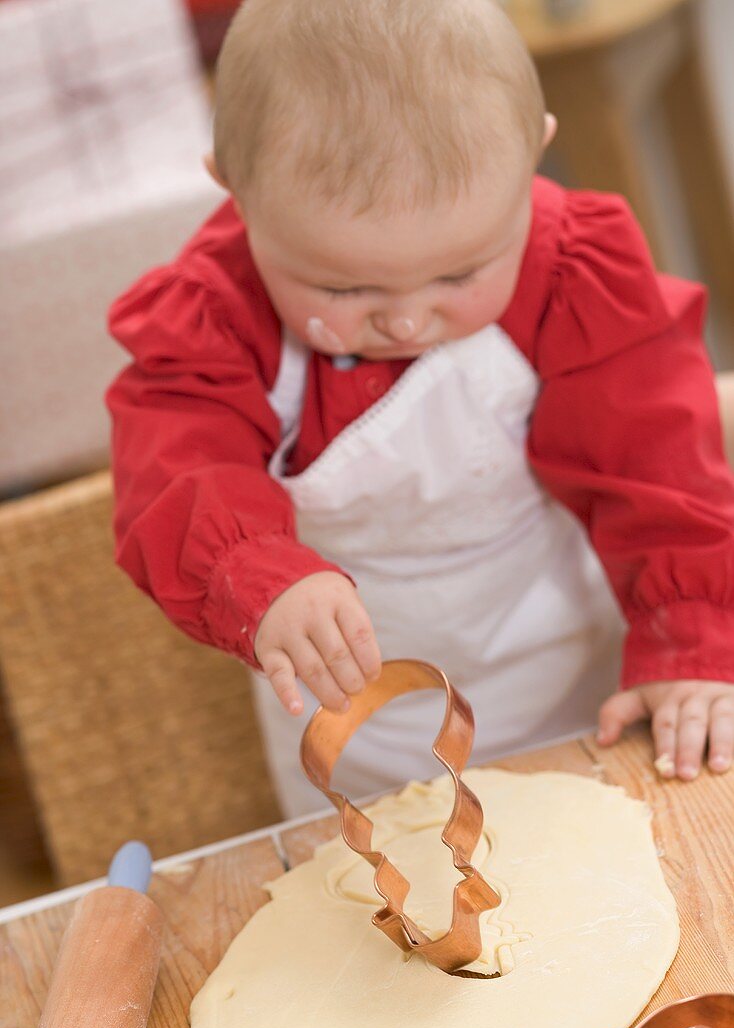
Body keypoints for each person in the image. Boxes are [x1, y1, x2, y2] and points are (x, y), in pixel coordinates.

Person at [107, 0, 734, 816]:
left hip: (587, 684)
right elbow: (179, 474)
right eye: (342, 287)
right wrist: (254, 576)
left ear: (533, 157)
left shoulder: (574, 274)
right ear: (237, 192)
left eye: (460, 274)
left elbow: (660, 467)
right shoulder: (212, 323)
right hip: (361, 725)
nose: (405, 321)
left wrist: (692, 639)